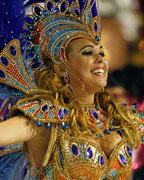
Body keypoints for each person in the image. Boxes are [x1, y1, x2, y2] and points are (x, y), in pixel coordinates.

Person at [0, 0, 143, 179]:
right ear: (61, 68)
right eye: (87, 52)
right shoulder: (44, 119)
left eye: (101, 53)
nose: (100, 59)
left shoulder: (121, 117)